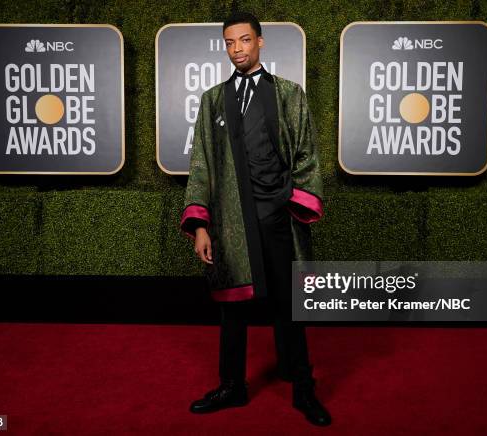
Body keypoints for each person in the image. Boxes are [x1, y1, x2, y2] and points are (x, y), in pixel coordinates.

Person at [180, 12, 331, 426]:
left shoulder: (288, 94)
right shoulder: (213, 100)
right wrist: (202, 226)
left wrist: (291, 201)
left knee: (289, 307)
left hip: (279, 217)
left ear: (260, 42)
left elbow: (306, 154)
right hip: (231, 221)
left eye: (244, 40)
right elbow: (202, 165)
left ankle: (303, 388)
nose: (237, 49)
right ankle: (232, 385)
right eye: (230, 43)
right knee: (233, 310)